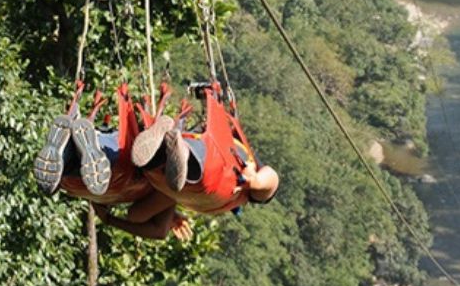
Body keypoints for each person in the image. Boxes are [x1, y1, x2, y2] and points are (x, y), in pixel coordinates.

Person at [33, 83, 192, 241]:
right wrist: (110, 220)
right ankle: (68, 153)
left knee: (103, 150)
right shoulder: (166, 192)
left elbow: (156, 227)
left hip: (118, 170)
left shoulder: (167, 191)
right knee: (91, 161)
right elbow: (157, 230)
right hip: (90, 183)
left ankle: (73, 147)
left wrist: (169, 212)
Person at [132, 81, 279, 215]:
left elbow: (136, 214)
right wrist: (253, 181)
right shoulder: (237, 192)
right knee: (201, 161)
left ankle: (168, 142)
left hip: (193, 168)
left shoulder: (234, 194)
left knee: (182, 157)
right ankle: (175, 148)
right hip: (211, 173)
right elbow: (135, 215)